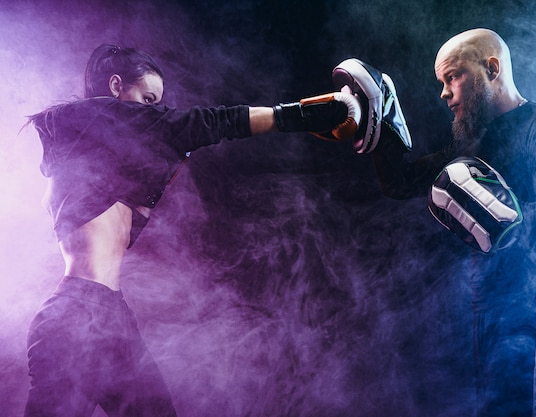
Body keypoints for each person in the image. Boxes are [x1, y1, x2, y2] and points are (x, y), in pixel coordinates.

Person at [24, 43, 359, 417]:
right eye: (147, 99)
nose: (154, 111)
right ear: (116, 85)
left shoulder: (100, 158)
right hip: (75, 317)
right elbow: (201, 125)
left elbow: (172, 144)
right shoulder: (87, 121)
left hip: (111, 316)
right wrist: (297, 116)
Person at [333, 29, 536, 416]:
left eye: (453, 76)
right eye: (441, 82)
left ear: (491, 68)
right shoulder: (471, 146)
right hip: (487, 308)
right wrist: (377, 120)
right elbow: (400, 181)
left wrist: (501, 214)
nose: (444, 93)